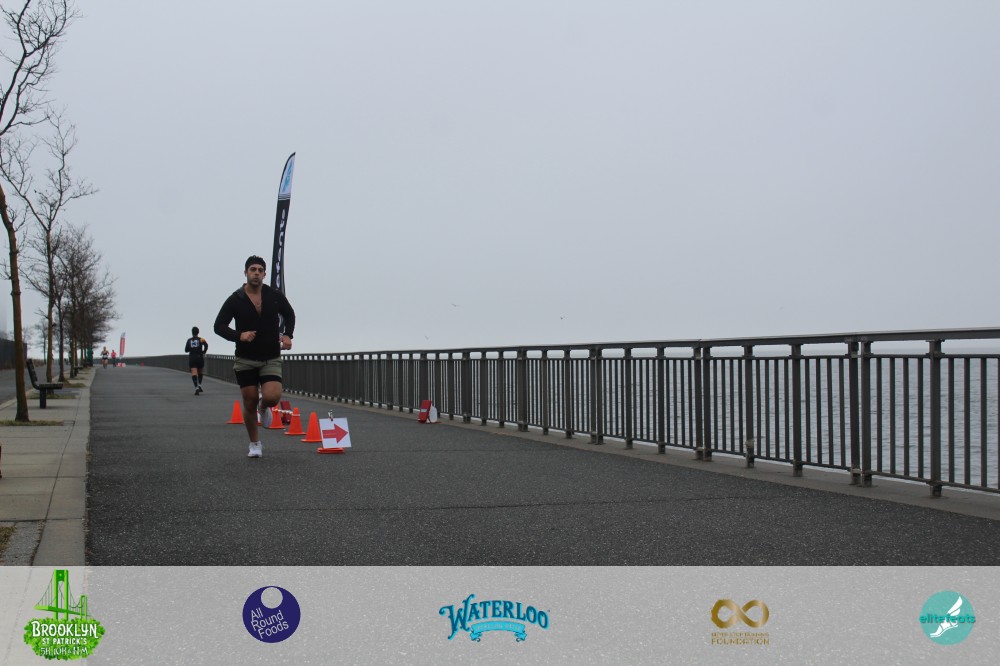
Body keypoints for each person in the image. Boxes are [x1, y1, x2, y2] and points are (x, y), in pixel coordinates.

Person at [213, 255, 296, 458]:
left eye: (260, 270)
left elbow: (290, 314)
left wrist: (288, 335)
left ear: (265, 274)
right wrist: (239, 335)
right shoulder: (236, 299)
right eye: (253, 270)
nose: (256, 273)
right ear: (245, 273)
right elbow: (219, 326)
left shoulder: (274, 295)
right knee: (249, 400)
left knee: (272, 397)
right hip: (245, 358)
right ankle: (255, 444)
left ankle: (264, 406)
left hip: (270, 357)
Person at [184, 326, 209, 394]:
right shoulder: (201, 339)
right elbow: (206, 345)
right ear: (198, 332)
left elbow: (186, 350)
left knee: (194, 372)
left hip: (192, 358)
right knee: (200, 371)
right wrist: (204, 351)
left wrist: (191, 349)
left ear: (192, 333)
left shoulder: (189, 340)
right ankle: (200, 385)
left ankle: (196, 387)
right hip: (200, 357)